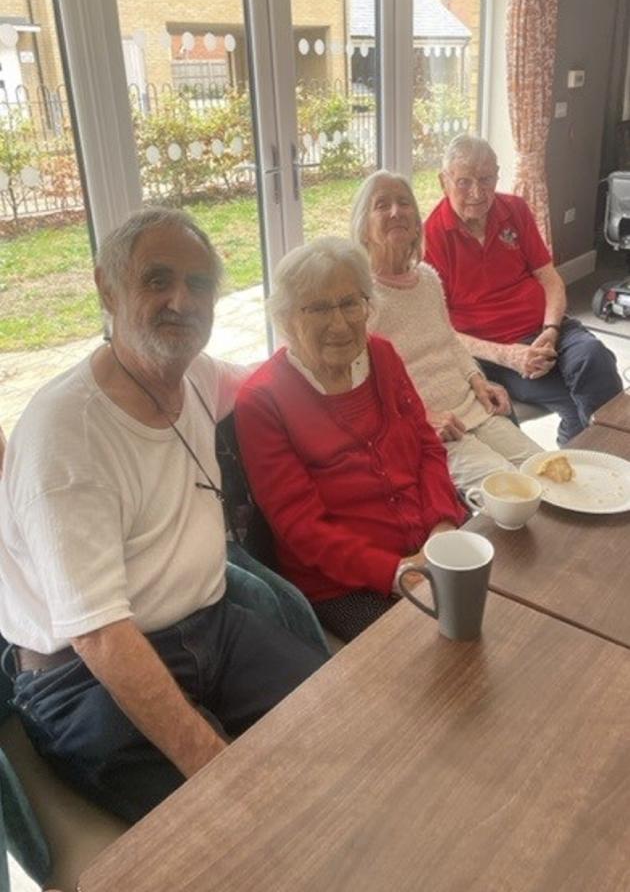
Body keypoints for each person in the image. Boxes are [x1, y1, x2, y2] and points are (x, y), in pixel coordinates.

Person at [0, 209, 328, 823]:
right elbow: (98, 635)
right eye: (157, 280)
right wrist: (215, 768)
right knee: (231, 823)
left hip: (209, 629)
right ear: (108, 288)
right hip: (82, 676)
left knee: (335, 724)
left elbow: (263, 379)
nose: (182, 300)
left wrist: (324, 332)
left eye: (199, 284)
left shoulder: (195, 376)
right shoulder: (66, 436)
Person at [234, 236, 467, 643]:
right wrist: (399, 573)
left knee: (505, 604)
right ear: (288, 319)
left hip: (431, 542)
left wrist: (442, 526)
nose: (339, 323)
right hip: (345, 583)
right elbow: (301, 527)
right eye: (319, 308)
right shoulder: (262, 400)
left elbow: (428, 448)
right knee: (432, 655)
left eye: (349, 303)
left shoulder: (383, 355)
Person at [424, 135, 622, 444]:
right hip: (496, 353)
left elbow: (550, 278)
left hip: (549, 330)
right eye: (464, 182)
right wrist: (508, 356)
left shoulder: (514, 209)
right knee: (575, 400)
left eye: (486, 179)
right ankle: (588, 460)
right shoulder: (431, 238)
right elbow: (439, 330)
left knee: (594, 358)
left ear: (497, 175)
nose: (477, 193)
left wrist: (552, 328)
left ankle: (609, 453)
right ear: (443, 181)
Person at [350, 170, 541, 489]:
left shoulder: (427, 279)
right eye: (381, 205)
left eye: (403, 203)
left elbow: (449, 341)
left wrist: (477, 378)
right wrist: (418, 420)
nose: (396, 211)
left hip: (471, 406)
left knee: (543, 469)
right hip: (429, 427)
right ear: (363, 228)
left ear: (415, 224)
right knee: (510, 494)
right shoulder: (359, 296)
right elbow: (359, 384)